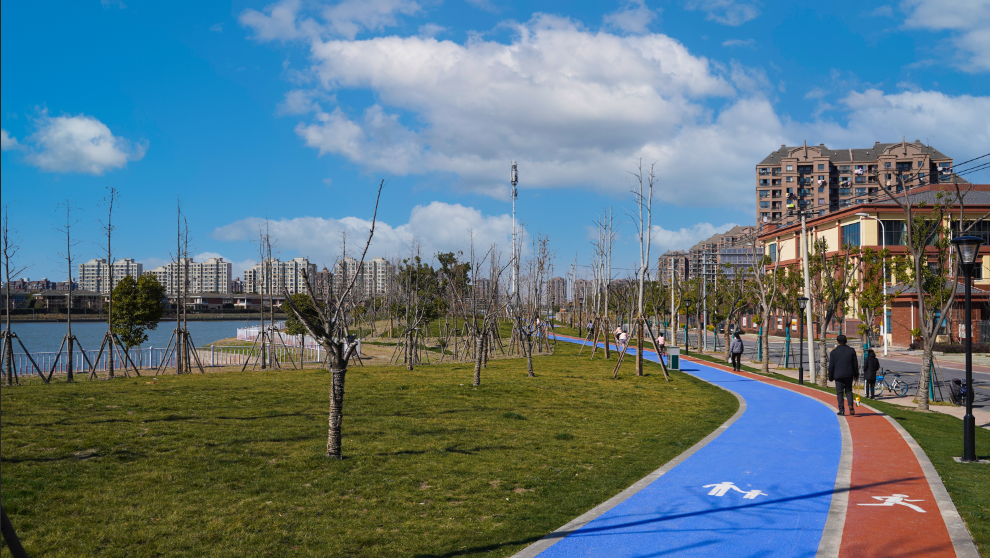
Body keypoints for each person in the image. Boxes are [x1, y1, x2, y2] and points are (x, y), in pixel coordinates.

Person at [828, 335, 860, 415]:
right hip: (849, 374)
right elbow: (855, 364)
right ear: (846, 341)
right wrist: (856, 375)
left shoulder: (834, 352)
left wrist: (830, 377)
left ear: (837, 342)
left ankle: (841, 410)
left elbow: (831, 366)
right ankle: (850, 405)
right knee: (849, 390)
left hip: (838, 375)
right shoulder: (851, 351)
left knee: (840, 392)